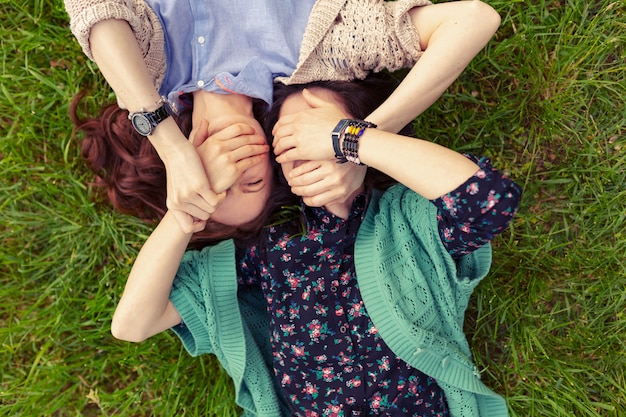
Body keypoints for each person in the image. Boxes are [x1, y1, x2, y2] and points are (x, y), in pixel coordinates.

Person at [110, 74, 522, 416]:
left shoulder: (407, 222)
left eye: (322, 130)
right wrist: (186, 211)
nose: (306, 144)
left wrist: (352, 140)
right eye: (289, 137)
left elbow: (488, 199)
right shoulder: (270, 250)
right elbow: (133, 323)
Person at [65, 0, 502, 232]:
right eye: (251, 182)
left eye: (214, 183)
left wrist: (171, 146)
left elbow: (96, 11)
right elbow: (473, 19)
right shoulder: (318, 53)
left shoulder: (151, 69)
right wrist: (357, 142)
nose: (233, 167)